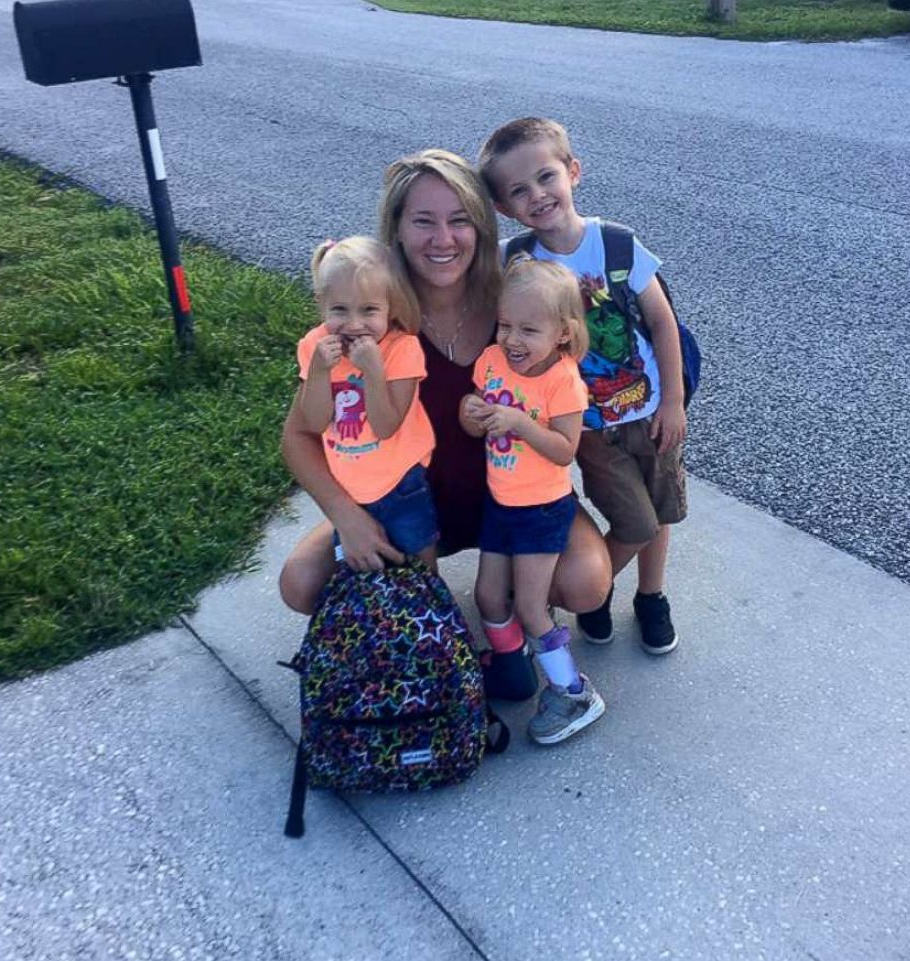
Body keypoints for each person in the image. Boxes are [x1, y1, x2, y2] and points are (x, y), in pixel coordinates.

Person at [279, 149, 611, 696]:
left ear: (481, 228)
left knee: (586, 581)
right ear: (397, 231)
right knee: (300, 583)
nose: (443, 238)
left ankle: (516, 613)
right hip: (403, 504)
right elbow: (298, 435)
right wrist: (346, 514)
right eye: (424, 221)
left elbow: (570, 391)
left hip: (515, 498)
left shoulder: (517, 306)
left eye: (460, 220)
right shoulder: (370, 318)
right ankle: (431, 635)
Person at [478, 118, 688, 655]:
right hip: (589, 427)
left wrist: (674, 402)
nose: (537, 195)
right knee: (633, 518)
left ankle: (651, 595)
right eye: (518, 191)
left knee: (659, 511)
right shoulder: (515, 260)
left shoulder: (617, 245)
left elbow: (663, 324)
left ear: (573, 171)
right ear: (504, 207)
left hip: (651, 412)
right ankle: (593, 594)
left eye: (547, 176)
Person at [461, 257, 604, 743]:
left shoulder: (563, 381)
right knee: (486, 595)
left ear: (563, 333)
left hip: (542, 509)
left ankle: (573, 691)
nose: (511, 339)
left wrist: (522, 425)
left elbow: (565, 450)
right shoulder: (493, 362)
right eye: (504, 325)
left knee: (531, 605)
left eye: (528, 329)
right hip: (501, 500)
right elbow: (472, 418)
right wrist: (471, 411)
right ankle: (511, 667)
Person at [297, 235, 437, 567]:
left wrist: (373, 372)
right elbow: (315, 423)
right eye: (340, 310)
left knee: (418, 558)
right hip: (349, 488)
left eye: (369, 310)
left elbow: (386, 426)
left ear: (390, 307)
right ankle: (378, 619)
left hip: (401, 483)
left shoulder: (401, 349)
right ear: (321, 304)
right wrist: (318, 373)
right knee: (362, 568)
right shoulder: (314, 347)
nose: (354, 324)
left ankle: (433, 612)